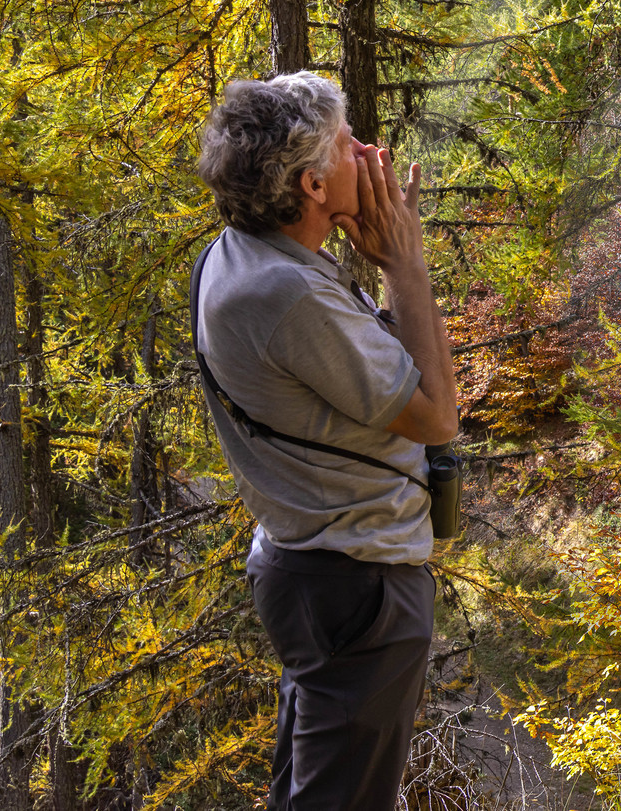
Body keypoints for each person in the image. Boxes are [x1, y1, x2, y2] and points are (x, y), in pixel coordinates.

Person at [193, 71, 458, 810]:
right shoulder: (288, 294)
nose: (368, 150)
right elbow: (438, 415)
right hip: (358, 586)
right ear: (313, 184)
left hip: (311, 569)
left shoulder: (239, 256)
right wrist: (405, 264)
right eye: (347, 142)